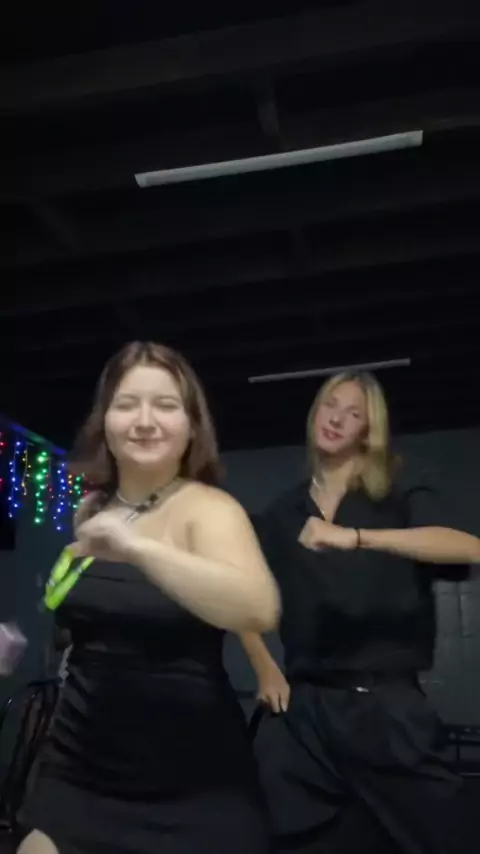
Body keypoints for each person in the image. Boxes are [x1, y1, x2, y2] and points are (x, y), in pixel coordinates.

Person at [19, 341, 280, 854]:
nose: (144, 421)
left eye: (165, 405)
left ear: (191, 425)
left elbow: (258, 607)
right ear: (105, 421)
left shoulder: (209, 509)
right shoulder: (90, 509)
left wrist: (138, 548)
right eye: (126, 404)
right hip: (77, 771)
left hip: (194, 784)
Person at [241, 371, 480, 854]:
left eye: (354, 414)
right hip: (303, 712)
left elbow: (469, 547)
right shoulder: (282, 513)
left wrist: (355, 538)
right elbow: (241, 595)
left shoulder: (398, 493)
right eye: (331, 405)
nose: (337, 419)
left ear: (368, 431)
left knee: (444, 837)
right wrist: (264, 666)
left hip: (386, 708)